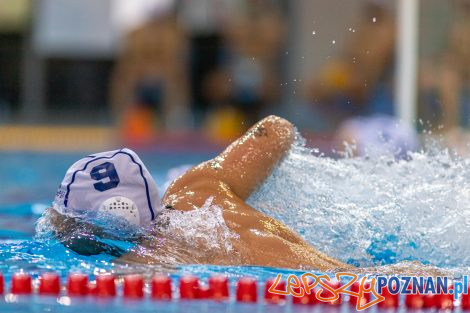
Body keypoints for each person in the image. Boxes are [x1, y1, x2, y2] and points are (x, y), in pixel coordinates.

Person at [47, 116, 348, 271]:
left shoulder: (145, 264)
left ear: (116, 217)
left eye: (70, 218)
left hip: (350, 289)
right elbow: (276, 129)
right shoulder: (198, 188)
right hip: (353, 274)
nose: (57, 223)